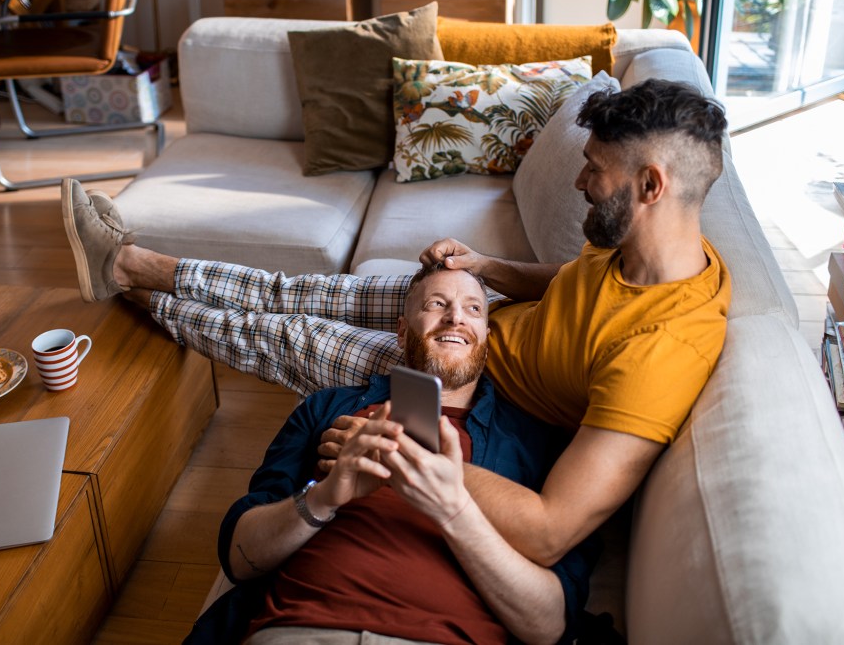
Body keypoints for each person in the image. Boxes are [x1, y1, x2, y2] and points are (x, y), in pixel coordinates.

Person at [61, 78, 731, 566]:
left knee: (285, 336)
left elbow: (552, 529)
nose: (582, 184)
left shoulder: (664, 348)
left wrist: (405, 447)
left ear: (651, 186)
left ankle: (134, 292)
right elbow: (574, 285)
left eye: (596, 171)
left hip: (471, 385)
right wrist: (486, 267)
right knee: (304, 292)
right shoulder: (638, 246)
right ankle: (135, 265)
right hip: (486, 317)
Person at [184, 264, 598, 645]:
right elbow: (240, 558)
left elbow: (549, 624)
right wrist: (324, 497)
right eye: (437, 304)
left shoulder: (534, 440)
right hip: (301, 629)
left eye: (473, 308)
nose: (455, 318)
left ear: (487, 340)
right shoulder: (329, 409)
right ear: (402, 332)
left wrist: (453, 509)